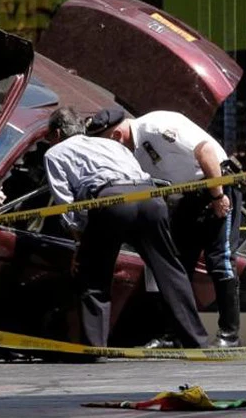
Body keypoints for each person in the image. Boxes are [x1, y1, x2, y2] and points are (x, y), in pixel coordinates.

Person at [43, 107, 209, 356]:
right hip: (150, 198)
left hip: (112, 201)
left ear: (56, 133)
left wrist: (80, 242)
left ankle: (94, 349)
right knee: (170, 270)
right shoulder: (113, 145)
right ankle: (197, 343)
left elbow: (66, 204)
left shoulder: (55, 152)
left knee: (94, 276)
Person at [86, 108, 243, 348]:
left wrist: (217, 195)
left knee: (219, 261)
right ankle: (173, 333)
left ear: (116, 136)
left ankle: (229, 334)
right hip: (186, 197)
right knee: (176, 266)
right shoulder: (133, 151)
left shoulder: (156, 126)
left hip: (216, 185)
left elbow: (206, 151)